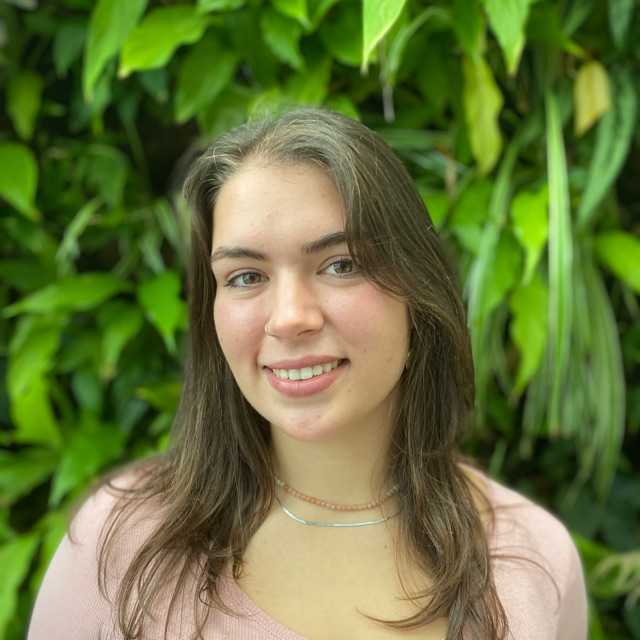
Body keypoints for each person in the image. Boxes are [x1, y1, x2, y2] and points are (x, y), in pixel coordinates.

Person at [27, 107, 588, 640]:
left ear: (418, 292)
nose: (290, 318)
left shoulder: (534, 557)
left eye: (341, 265)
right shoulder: (118, 544)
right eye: (246, 276)